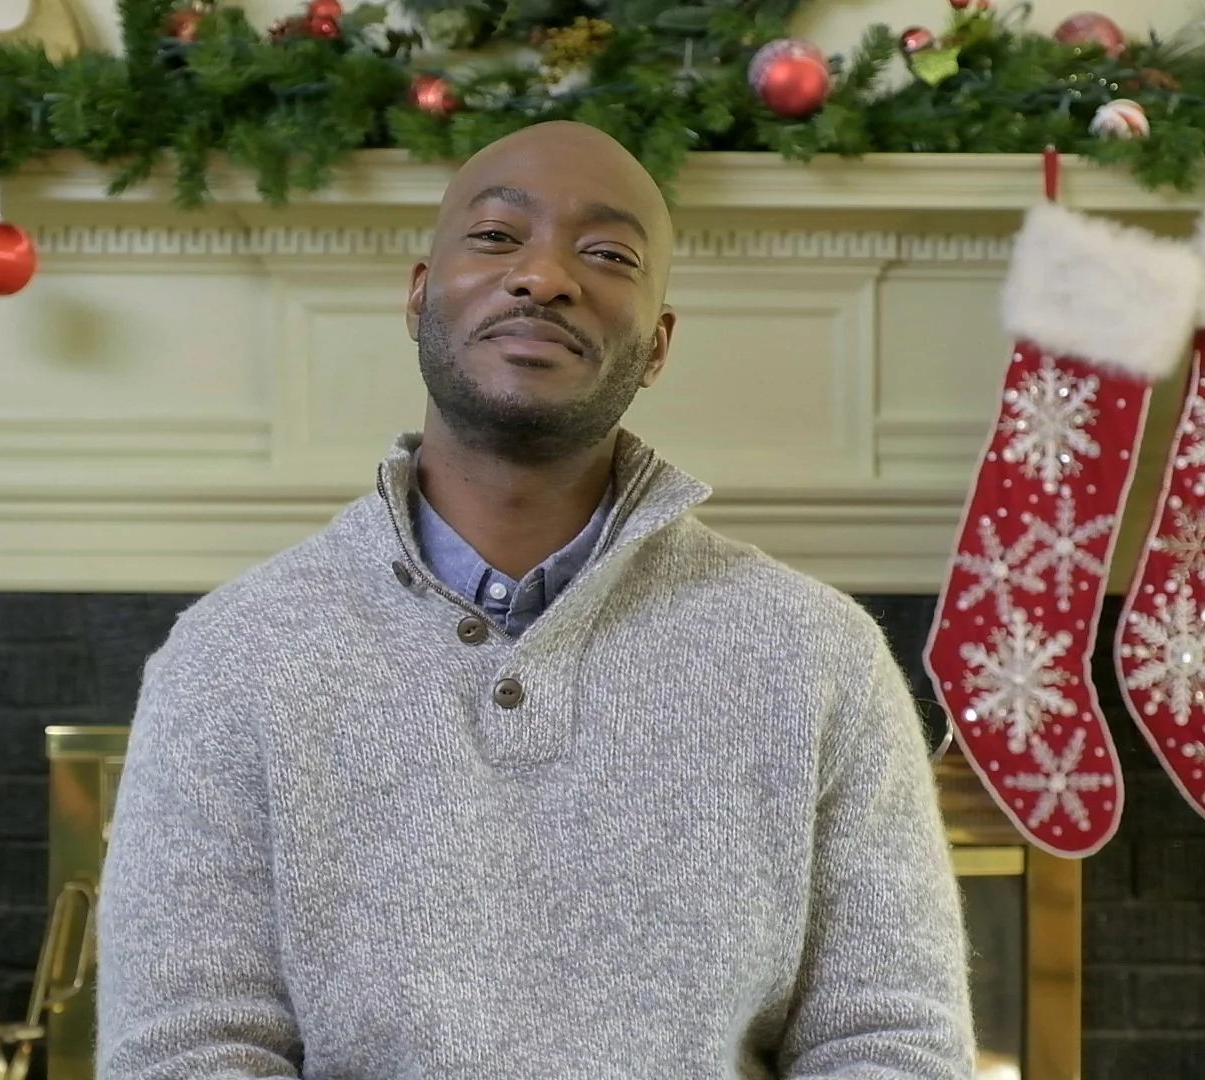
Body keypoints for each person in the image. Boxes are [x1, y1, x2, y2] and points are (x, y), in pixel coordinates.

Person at [95, 120, 976, 1079]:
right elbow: (186, 1053)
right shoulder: (230, 656)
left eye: (607, 254)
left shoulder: (819, 655)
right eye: (496, 237)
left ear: (657, 346)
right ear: (419, 294)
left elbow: (892, 1045)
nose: (546, 276)